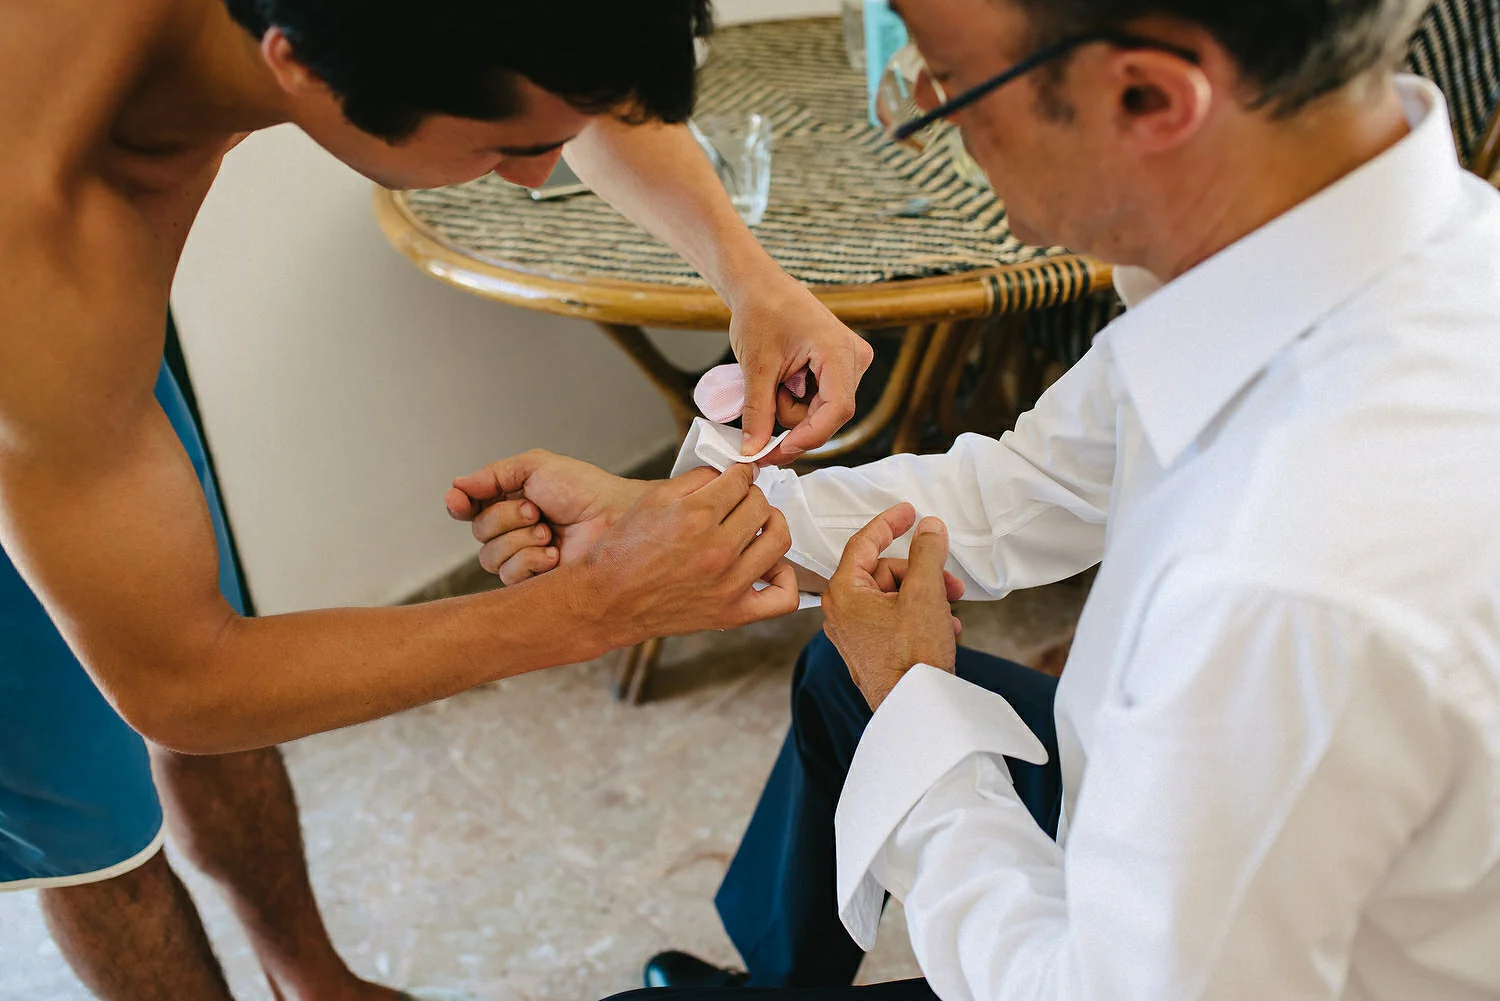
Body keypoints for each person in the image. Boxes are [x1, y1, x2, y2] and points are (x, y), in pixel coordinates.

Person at [456, 0, 1500, 997]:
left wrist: (916, 701)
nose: (921, 118)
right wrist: (687, 520)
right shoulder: (1365, 251)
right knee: (840, 676)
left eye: (947, 75)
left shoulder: (1285, 590)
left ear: (1147, 97)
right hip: (1236, 851)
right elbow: (1033, 480)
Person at [0, 0, 873, 998]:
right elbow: (183, 680)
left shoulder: (296, 43)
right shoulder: (42, 259)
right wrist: (593, 607)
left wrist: (751, 278)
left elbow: (570, 70)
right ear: (297, 66)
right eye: (509, 147)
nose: (544, 173)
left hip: (75, 359)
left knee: (201, 608)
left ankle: (314, 978)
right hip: (30, 339)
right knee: (88, 810)